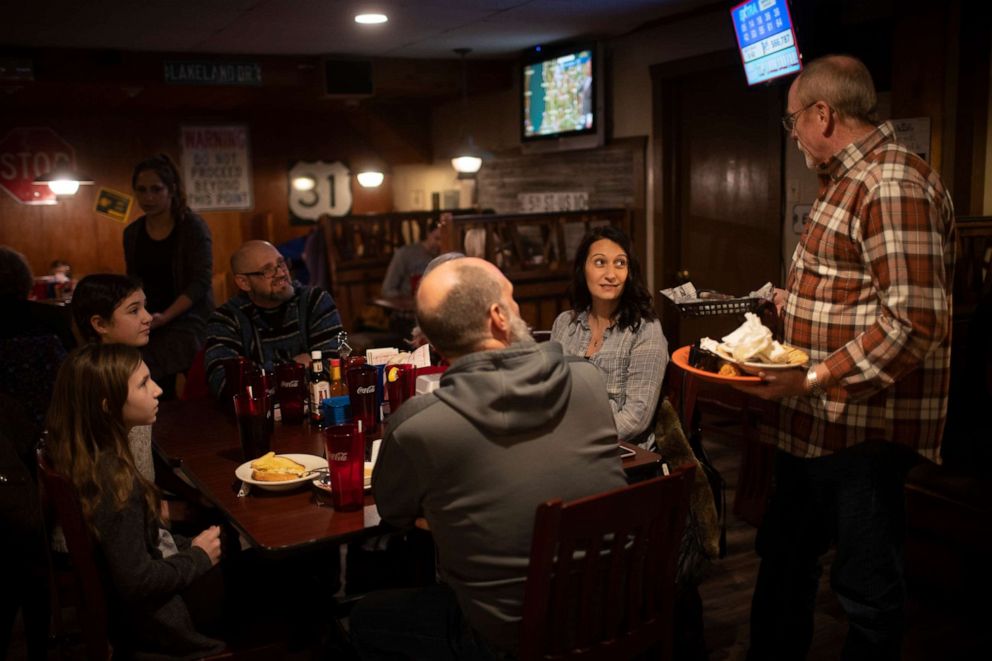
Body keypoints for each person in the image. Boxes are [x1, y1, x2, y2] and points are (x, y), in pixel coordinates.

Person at [731, 55, 956, 659]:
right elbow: (853, 292)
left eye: (792, 121)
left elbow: (916, 320)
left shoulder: (890, 182)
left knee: (865, 590)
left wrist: (813, 376)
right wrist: (791, 302)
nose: (795, 134)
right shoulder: (846, 180)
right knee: (783, 565)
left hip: (862, 434)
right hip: (813, 425)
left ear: (822, 113)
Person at [349, 257, 627, 659]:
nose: (519, 309)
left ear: (434, 340)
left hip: (510, 639)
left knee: (366, 616)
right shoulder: (587, 380)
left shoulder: (418, 426)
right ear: (498, 316)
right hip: (616, 610)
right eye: (512, 299)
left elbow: (393, 511)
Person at [45, 344, 224, 658]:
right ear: (106, 406)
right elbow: (136, 580)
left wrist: (189, 548)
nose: (157, 390)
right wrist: (198, 556)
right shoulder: (115, 481)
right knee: (282, 578)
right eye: (143, 384)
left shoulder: (90, 458)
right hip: (163, 622)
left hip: (147, 610)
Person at [551, 225, 668, 448]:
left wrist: (577, 439)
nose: (611, 274)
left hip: (623, 452)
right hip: (565, 445)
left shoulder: (645, 329)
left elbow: (636, 418)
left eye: (620, 263)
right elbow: (551, 393)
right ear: (582, 269)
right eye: (599, 262)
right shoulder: (565, 324)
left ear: (630, 272)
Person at [123, 154, 214, 399]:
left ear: (171, 189)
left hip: (190, 316)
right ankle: (154, 428)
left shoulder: (191, 227)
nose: (148, 197)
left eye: (156, 189)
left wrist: (166, 316)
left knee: (178, 357)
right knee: (136, 368)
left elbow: (201, 282)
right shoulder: (132, 232)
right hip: (150, 317)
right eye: (141, 190)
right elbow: (132, 282)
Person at [203, 240, 343, 399]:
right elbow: (223, 384)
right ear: (244, 282)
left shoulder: (316, 301)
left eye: (281, 263)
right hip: (256, 420)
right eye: (267, 270)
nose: (282, 273)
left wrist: (260, 376)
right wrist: (294, 366)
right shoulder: (226, 319)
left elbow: (334, 368)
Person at [71, 274, 156, 481]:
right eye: (134, 310)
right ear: (100, 324)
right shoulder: (100, 379)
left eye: (145, 307)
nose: (148, 317)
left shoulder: (129, 364)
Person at [380, 218, 443, 299]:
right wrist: (405, 300)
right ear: (428, 234)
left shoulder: (448, 257)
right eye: (437, 238)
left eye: (444, 240)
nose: (440, 244)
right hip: (409, 306)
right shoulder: (405, 254)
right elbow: (387, 290)